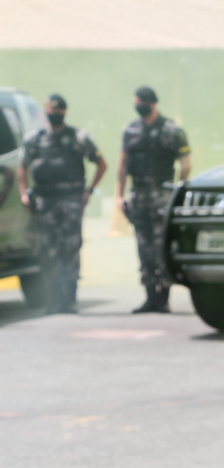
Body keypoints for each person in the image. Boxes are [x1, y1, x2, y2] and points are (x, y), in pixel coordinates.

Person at [17, 94, 107, 314]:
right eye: (51, 109)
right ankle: (53, 300)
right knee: (48, 250)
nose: (54, 113)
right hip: (45, 202)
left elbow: (101, 164)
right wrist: (23, 193)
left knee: (70, 249)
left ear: (64, 112)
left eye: (58, 110)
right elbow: (22, 166)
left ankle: (69, 299)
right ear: (45, 110)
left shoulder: (78, 137)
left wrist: (89, 191)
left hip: (70, 201)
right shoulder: (35, 138)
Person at [115, 86, 191, 314]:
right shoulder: (130, 130)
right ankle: (150, 297)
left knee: (161, 247)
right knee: (143, 247)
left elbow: (186, 164)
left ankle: (163, 298)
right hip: (138, 194)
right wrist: (120, 195)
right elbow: (122, 166)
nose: (138, 106)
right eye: (136, 101)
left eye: (141, 102)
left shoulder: (172, 130)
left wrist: (177, 192)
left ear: (153, 103)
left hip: (161, 195)